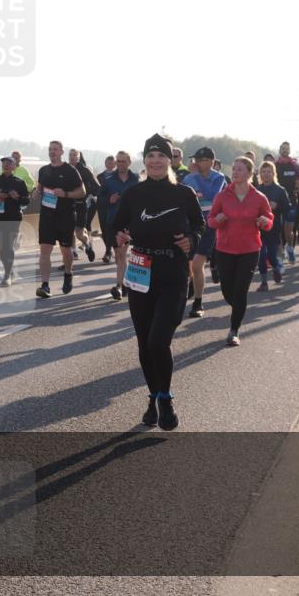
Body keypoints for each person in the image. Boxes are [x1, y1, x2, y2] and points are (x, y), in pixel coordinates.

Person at [111, 134, 203, 430]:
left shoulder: (184, 194)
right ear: (144, 161)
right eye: (150, 156)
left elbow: (199, 227)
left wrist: (191, 240)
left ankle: (165, 398)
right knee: (143, 343)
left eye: (160, 156)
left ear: (170, 161)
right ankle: (154, 396)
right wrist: (120, 236)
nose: (155, 161)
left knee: (158, 341)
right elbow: (115, 225)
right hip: (140, 272)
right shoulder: (134, 194)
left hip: (173, 273)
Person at [208, 157, 273, 344]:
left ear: (250, 173)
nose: (235, 172)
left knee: (241, 290)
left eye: (240, 169)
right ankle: (239, 308)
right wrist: (217, 219)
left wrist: (265, 222)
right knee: (227, 289)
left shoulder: (259, 198)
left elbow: (269, 221)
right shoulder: (222, 196)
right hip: (225, 248)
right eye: (234, 169)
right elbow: (210, 221)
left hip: (250, 249)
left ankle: (234, 330)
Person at [35, 140, 85, 297]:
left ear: (62, 152)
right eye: (50, 149)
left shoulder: (70, 170)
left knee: (65, 250)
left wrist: (66, 194)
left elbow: (82, 192)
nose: (52, 152)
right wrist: (36, 193)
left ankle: (68, 273)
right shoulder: (43, 170)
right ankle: (45, 285)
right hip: (46, 216)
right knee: (44, 250)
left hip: (65, 216)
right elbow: (39, 188)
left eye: (55, 149)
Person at [182, 147, 227, 318]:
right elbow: (187, 199)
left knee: (197, 264)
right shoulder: (188, 178)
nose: (195, 163)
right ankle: (190, 289)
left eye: (200, 160)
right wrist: (196, 190)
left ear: (210, 162)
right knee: (188, 265)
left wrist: (197, 185)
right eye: (195, 160)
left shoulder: (219, 177)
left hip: (209, 225)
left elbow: (212, 195)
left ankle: (198, 302)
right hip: (190, 225)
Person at [98, 151, 140, 298]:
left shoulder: (136, 179)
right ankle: (124, 283)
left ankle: (118, 286)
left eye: (123, 161)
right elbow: (100, 199)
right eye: (119, 161)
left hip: (129, 223)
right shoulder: (108, 179)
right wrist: (109, 199)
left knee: (121, 254)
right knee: (119, 255)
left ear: (129, 162)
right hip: (113, 222)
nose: (121, 164)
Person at [0, 157, 30, 285]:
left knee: (8, 247)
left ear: (14, 166)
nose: (6, 165)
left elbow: (27, 200)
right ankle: (9, 270)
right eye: (4, 163)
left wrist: (18, 197)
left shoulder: (19, 182)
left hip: (13, 218)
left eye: (9, 163)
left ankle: (7, 275)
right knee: (2, 247)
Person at [254, 161, 290, 290]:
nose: (266, 174)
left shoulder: (280, 190)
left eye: (269, 171)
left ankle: (276, 268)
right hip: (258, 228)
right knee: (261, 255)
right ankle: (264, 282)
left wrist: (277, 206)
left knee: (272, 256)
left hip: (274, 228)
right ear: (260, 174)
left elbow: (287, 208)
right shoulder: (256, 190)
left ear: (273, 173)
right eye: (263, 172)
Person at [274, 142, 299, 262]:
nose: (284, 150)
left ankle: (290, 249)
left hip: (291, 201)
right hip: (276, 201)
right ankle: (280, 256)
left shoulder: (295, 165)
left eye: (287, 148)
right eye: (282, 148)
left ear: (290, 150)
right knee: (277, 230)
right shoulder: (275, 165)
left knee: (288, 231)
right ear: (279, 150)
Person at [68, 148, 100, 262]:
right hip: (67, 205)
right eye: (70, 155)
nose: (71, 157)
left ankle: (88, 245)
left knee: (79, 234)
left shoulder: (84, 170)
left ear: (78, 157)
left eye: (74, 155)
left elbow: (97, 186)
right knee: (68, 230)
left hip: (81, 205)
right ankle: (73, 253)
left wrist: (89, 196)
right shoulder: (65, 169)